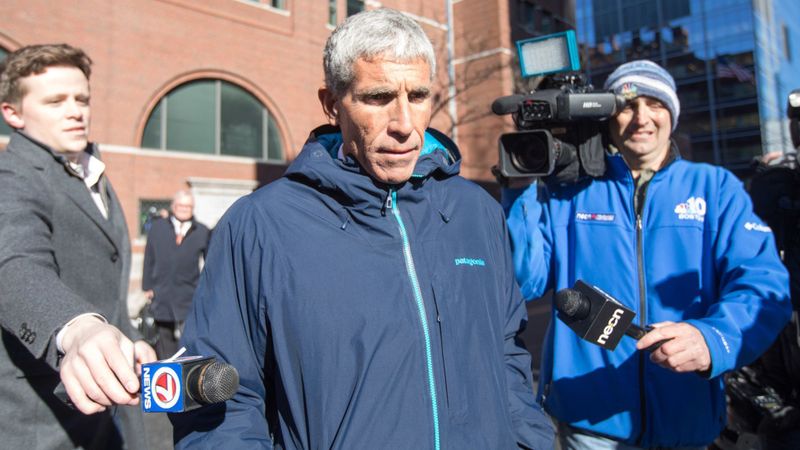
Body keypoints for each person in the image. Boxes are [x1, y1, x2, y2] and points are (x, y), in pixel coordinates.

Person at [171, 8, 554, 449]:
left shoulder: (477, 211)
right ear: (332, 104)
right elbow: (219, 404)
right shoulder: (258, 225)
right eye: (378, 97)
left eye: (419, 96)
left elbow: (506, 352)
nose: (405, 126)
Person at [505, 60, 792, 449]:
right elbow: (525, 280)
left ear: (672, 114)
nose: (641, 117)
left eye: (655, 104)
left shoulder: (715, 187)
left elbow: (764, 285)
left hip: (686, 419)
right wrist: (532, 185)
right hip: (589, 424)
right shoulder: (569, 192)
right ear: (608, 118)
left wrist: (713, 339)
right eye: (627, 105)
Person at [0, 44, 156, 449]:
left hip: (110, 408)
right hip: (40, 421)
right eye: (55, 101)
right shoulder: (11, 177)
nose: (76, 111)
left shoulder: (88, 169)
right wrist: (79, 329)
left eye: (82, 99)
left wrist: (125, 335)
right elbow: (14, 263)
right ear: (12, 114)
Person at [142, 189, 210, 359]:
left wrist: (205, 289)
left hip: (188, 292)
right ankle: (168, 368)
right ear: (173, 206)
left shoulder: (202, 231)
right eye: (180, 205)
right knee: (164, 337)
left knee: (189, 335)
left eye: (188, 206)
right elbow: (149, 257)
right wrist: (147, 286)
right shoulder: (158, 228)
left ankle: (186, 368)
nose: (184, 209)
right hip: (162, 290)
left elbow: (209, 262)